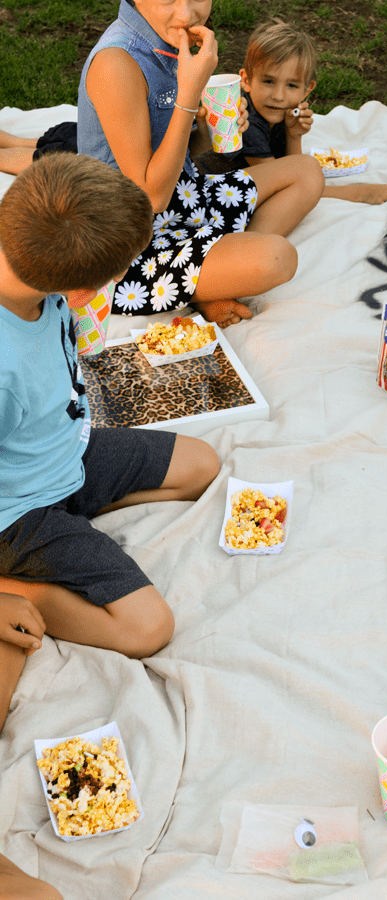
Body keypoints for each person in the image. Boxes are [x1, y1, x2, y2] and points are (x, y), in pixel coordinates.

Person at [0, 153, 221, 745]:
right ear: (81, 286)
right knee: (148, 628)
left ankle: (78, 527)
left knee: (203, 465)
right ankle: (18, 586)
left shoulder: (31, 273)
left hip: (63, 451)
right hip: (19, 514)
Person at [76, 0, 324, 328]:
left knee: (306, 170)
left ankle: (217, 273)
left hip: (185, 201)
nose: (186, 14)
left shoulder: (167, 42)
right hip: (128, 244)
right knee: (277, 257)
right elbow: (150, 197)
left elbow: (179, 156)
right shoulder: (116, 63)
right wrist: (189, 94)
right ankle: (210, 282)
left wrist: (207, 132)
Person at [235, 21, 387, 206]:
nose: (278, 96)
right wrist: (354, 193)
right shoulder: (245, 121)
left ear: (307, 89)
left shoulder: (281, 112)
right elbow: (285, 181)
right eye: (268, 81)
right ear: (246, 80)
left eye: (291, 85)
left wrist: (293, 135)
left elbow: (292, 165)